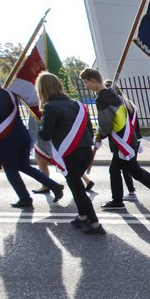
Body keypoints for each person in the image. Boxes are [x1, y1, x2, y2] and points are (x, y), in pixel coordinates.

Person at [79, 68, 150, 213]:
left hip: (122, 142)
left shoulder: (102, 99)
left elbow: (106, 123)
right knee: (116, 170)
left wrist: (100, 137)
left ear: (93, 81)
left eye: (87, 82)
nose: (87, 86)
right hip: (127, 139)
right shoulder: (112, 94)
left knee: (133, 172)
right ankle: (117, 200)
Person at [0, 65, 64, 208]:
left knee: (11, 171)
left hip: (5, 140)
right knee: (24, 166)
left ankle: (25, 198)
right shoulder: (10, 94)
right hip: (22, 137)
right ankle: (54, 186)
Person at [35, 72, 104, 235]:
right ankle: (82, 216)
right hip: (86, 151)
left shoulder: (50, 107)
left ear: (42, 90)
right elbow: (89, 129)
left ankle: (95, 224)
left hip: (69, 154)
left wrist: (41, 125)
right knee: (76, 186)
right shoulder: (79, 104)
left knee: (78, 189)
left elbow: (45, 135)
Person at [103, 80, 150, 202]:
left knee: (129, 169)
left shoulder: (119, 105)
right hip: (132, 140)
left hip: (125, 141)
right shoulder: (128, 103)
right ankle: (145, 187)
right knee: (129, 168)